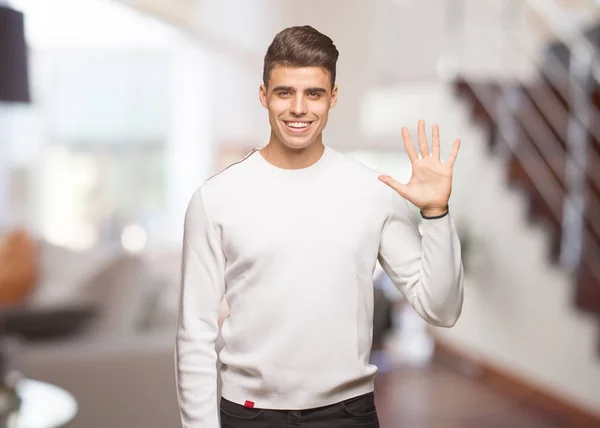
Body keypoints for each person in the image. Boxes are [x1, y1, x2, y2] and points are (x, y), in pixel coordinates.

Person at [175, 25, 464, 428]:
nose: (298, 108)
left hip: (348, 414)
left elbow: (442, 308)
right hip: (248, 415)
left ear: (333, 97)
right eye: (284, 92)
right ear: (263, 96)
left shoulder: (373, 192)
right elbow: (195, 334)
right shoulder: (215, 199)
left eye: (313, 93)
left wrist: (436, 213)